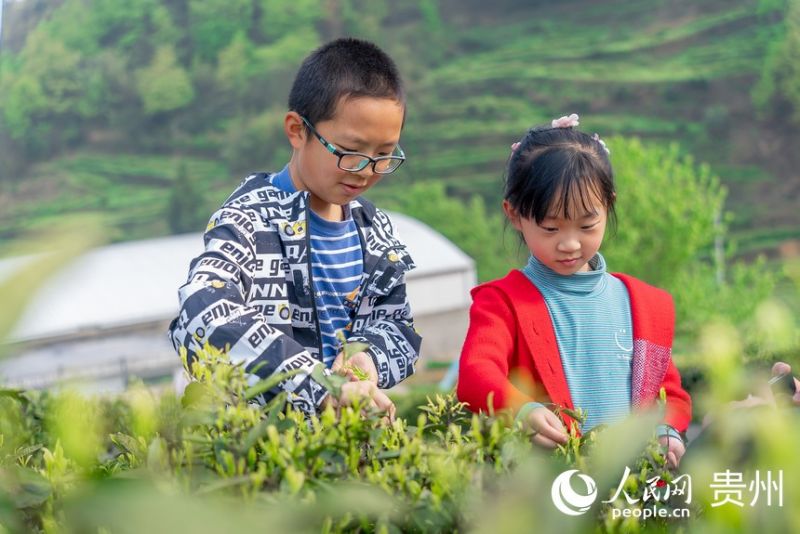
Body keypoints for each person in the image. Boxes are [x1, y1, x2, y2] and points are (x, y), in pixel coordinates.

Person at [169, 38, 421, 419]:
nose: (367, 170)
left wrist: (366, 358)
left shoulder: (375, 234)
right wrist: (316, 384)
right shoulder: (249, 221)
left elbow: (395, 323)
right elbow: (203, 310)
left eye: (384, 155)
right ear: (297, 130)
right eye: (351, 152)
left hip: (346, 443)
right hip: (262, 448)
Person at [457, 114, 692, 468]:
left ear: (608, 205)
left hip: (633, 486)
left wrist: (666, 429)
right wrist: (521, 411)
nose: (569, 243)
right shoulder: (503, 303)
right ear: (515, 215)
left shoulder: (642, 305)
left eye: (586, 225)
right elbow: (476, 373)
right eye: (550, 228)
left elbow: (669, 393)